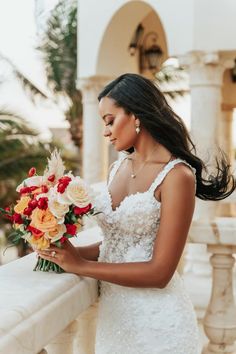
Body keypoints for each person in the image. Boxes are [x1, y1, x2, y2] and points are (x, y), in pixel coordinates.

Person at [38, 73, 235, 354]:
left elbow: (160, 272)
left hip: (159, 328)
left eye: (110, 121)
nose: (105, 131)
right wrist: (68, 252)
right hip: (115, 323)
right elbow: (116, 244)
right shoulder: (118, 168)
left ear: (136, 115)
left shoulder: (177, 176)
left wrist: (81, 266)